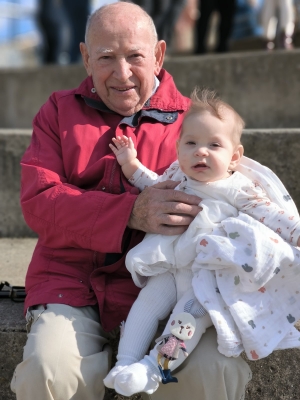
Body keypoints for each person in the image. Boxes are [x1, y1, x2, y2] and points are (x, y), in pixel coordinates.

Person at [10, 3, 252, 400]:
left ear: (158, 55)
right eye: (106, 58)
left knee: (214, 370)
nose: (122, 74)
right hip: (71, 283)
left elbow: (233, 207)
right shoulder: (57, 111)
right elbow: (39, 199)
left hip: (174, 290)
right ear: (86, 59)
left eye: (135, 57)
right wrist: (130, 214)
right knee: (48, 370)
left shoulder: (199, 126)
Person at [104, 88, 300, 397]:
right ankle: (125, 363)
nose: (201, 152)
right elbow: (151, 185)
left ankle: (153, 369)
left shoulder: (237, 188)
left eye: (214, 145)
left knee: (185, 323)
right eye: (191, 143)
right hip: (170, 267)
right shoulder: (176, 176)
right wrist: (130, 164)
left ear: (234, 156)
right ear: (179, 148)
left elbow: (272, 216)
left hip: (208, 280)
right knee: (145, 306)